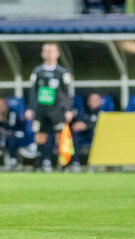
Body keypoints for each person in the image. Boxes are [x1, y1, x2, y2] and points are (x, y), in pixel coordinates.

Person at [24, 43, 73, 173]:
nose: (49, 54)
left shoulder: (62, 72)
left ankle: (62, 164)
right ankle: (39, 163)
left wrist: (68, 110)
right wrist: (30, 108)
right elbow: (33, 91)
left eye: (52, 51)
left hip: (57, 109)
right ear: (43, 54)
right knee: (40, 135)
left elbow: (68, 92)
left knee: (59, 136)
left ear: (57, 54)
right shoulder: (37, 71)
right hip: (41, 109)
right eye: (47, 51)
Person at [70, 93, 102, 168]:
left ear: (99, 102)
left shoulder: (102, 113)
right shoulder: (82, 111)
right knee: (74, 137)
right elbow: (76, 124)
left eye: (95, 100)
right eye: (91, 100)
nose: (93, 102)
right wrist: (76, 125)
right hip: (83, 135)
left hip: (95, 135)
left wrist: (87, 126)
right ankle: (75, 162)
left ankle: (99, 162)